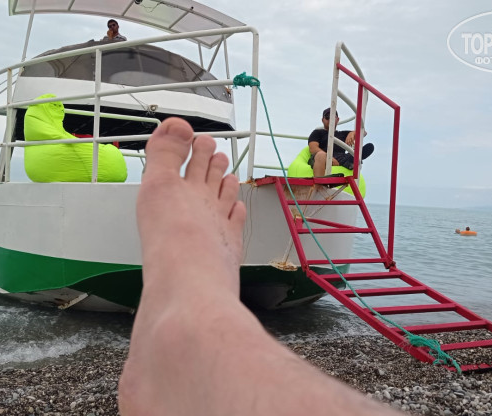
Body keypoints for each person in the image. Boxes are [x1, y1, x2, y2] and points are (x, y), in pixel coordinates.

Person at [118, 118, 403, 416]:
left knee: (203, 312)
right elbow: (316, 150)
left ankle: (189, 313)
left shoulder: (336, 136)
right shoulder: (318, 136)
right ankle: (200, 311)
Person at [308, 108, 375, 177]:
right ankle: (320, 182)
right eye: (327, 117)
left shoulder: (342, 134)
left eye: (333, 117)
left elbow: (363, 132)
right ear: (323, 120)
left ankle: (350, 162)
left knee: (369, 147)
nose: (330, 119)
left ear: (337, 119)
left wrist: (352, 133)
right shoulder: (317, 132)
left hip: (342, 157)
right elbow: (313, 149)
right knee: (320, 155)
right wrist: (329, 158)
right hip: (324, 156)